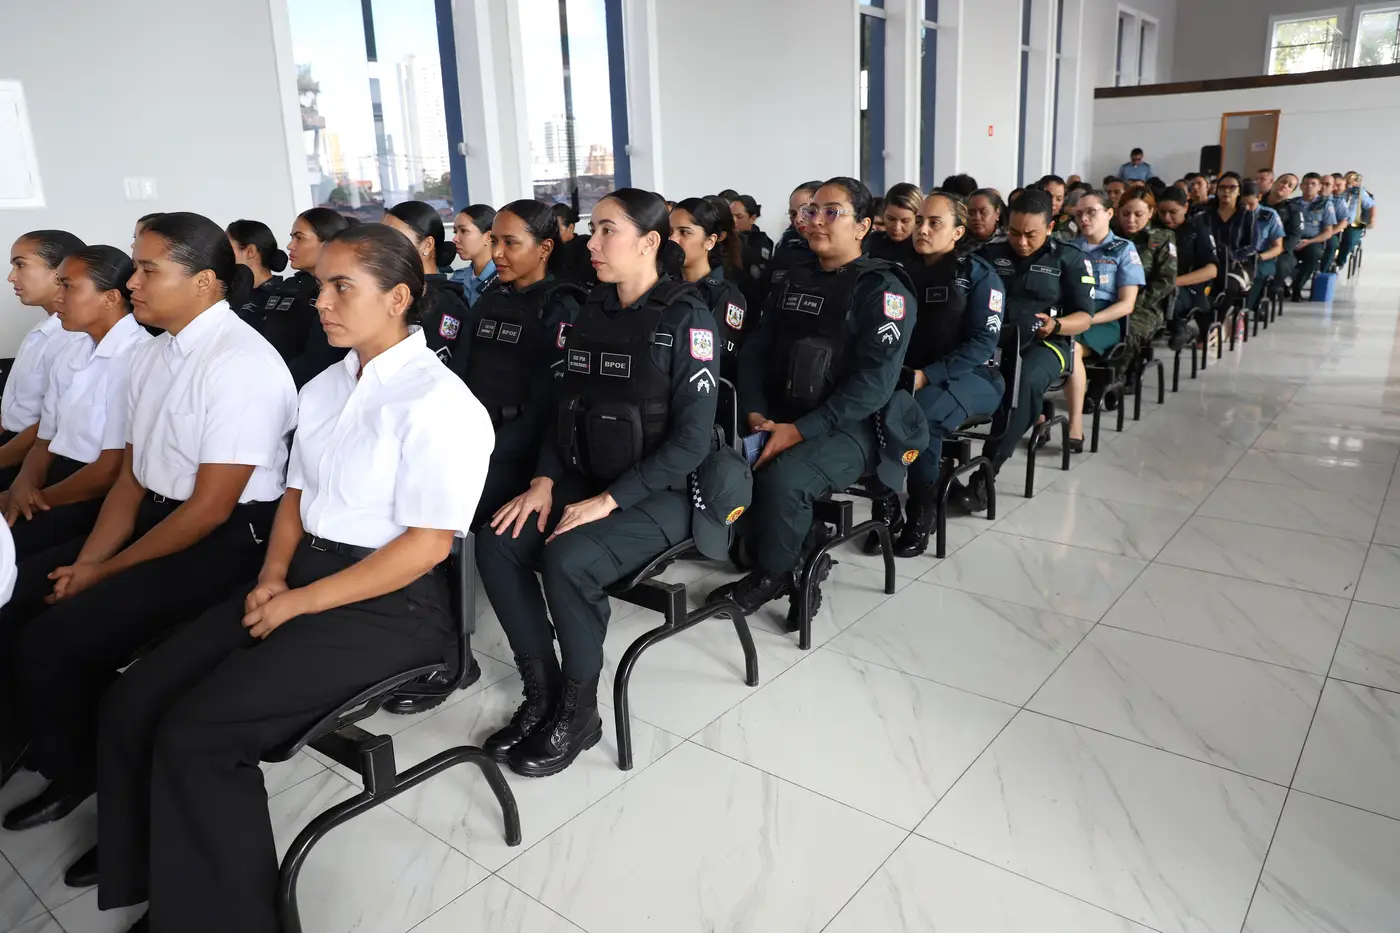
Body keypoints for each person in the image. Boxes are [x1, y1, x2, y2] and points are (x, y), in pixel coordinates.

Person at [88, 222, 491, 933]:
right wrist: (274, 575)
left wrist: (301, 601)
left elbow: (426, 546)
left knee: (200, 733)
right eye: (318, 286)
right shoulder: (328, 385)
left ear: (398, 298)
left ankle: (225, 920)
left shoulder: (439, 403)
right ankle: (164, 879)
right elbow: (296, 496)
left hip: (388, 602)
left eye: (341, 288)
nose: (321, 302)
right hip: (300, 574)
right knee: (134, 697)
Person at [0, 211, 297, 830]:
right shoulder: (153, 355)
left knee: (54, 638)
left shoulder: (240, 362)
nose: (132, 283)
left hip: (223, 540)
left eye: (147, 270)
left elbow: (210, 507)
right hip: (156, 519)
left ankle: (81, 771)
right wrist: (89, 560)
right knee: (24, 593)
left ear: (205, 282)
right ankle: (51, 742)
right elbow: (132, 480)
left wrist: (103, 572)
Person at [476, 188, 722, 777]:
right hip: (585, 475)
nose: (593, 243)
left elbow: (691, 443)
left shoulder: (687, 318)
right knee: (498, 540)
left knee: (568, 559)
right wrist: (542, 481)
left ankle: (579, 711)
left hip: (663, 493)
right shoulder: (589, 310)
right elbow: (565, 412)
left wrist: (609, 500)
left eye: (609, 230)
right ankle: (542, 690)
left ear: (649, 242)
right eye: (594, 230)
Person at [708, 177, 916, 622]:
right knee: (725, 456)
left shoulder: (883, 291)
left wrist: (799, 431)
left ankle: (776, 575)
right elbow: (756, 350)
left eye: (831, 212)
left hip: (854, 426)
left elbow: (873, 386)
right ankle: (799, 549)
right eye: (811, 211)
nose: (816, 220)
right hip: (781, 414)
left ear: (863, 226)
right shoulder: (791, 278)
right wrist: (755, 412)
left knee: (785, 479)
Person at [5, 247, 151, 561]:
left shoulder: (137, 357)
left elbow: (110, 469)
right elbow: (43, 442)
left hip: (92, 492)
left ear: (110, 298)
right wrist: (23, 484)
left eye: (68, 287)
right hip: (52, 475)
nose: (57, 297)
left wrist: (35, 498)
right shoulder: (73, 350)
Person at [961, 190, 1096, 511]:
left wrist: (1057, 325)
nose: (1021, 242)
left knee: (1025, 380)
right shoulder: (989, 254)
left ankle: (987, 472)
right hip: (992, 338)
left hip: (1047, 342)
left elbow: (1085, 317)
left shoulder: (1070, 259)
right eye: (1014, 232)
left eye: (1030, 234)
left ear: (1050, 227)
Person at [888, 191, 1005, 555]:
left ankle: (922, 509)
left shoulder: (979, 276)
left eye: (934, 223)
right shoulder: (897, 271)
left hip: (974, 377)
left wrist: (928, 374)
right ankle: (884, 506)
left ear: (957, 232)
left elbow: (983, 343)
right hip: (909, 373)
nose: (922, 229)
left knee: (922, 413)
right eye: (919, 221)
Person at [1065, 190, 1143, 447]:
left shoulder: (1124, 249)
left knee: (1071, 349)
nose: (1084, 219)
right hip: (1072, 312)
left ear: (1109, 213)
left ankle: (1075, 425)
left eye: (1091, 212)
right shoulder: (1070, 248)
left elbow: (1127, 304)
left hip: (1105, 320)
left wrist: (1089, 320)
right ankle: (1038, 415)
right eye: (1079, 214)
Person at [3, 231, 86, 469]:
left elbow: (51, 423)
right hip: (14, 444)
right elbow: (16, 410)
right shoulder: (43, 329)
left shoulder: (76, 337)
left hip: (34, 456)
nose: (11, 277)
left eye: (20, 265)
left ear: (60, 271)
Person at [671, 197, 749, 384]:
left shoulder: (726, 296)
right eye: (670, 232)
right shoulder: (663, 285)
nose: (673, 239)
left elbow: (717, 359)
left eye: (684, 232)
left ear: (710, 241)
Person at [272, 207, 353, 386]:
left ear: (328, 243)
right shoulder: (290, 288)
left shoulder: (348, 296)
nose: (290, 245)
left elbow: (319, 360)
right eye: (292, 237)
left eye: (299, 238)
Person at [385, 200, 472, 361]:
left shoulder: (444, 301)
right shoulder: (391, 291)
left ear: (427, 245)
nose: (384, 247)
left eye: (396, 239)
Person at [1114, 187, 1177, 364]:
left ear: (1150, 212)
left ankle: (1116, 377)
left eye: (1138, 214)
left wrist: (1132, 302)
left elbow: (1166, 280)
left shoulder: (1162, 238)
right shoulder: (1109, 236)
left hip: (1146, 307)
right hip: (1109, 302)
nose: (1131, 220)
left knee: (1127, 334)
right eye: (1125, 213)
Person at [1156, 187, 1216, 350]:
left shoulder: (1198, 230)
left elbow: (1211, 270)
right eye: (1162, 212)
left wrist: (1175, 281)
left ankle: (1179, 327)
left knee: (1167, 295)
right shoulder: (1155, 230)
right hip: (1159, 283)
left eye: (1172, 212)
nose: (1166, 217)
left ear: (1185, 207)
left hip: (1190, 286)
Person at [757, 180, 822, 308]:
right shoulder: (786, 245)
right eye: (793, 214)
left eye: (806, 210)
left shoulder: (841, 249)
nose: (798, 219)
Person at [225, 220, 288, 334]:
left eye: (227, 248)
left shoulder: (279, 299)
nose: (222, 255)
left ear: (250, 251)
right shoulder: (231, 294)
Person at [1241, 181, 1286, 313]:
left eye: (1251, 204)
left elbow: (1278, 247)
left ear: (1259, 197)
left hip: (1262, 258)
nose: (1247, 208)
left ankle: (1245, 309)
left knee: (1255, 274)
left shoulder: (1269, 215)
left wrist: (1260, 257)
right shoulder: (1236, 213)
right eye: (1243, 204)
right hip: (1239, 255)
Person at [1292, 173, 1338, 300]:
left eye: (1313, 184)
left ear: (1319, 187)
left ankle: (1297, 288)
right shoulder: (1292, 203)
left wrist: (1308, 242)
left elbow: (1327, 232)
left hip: (1311, 242)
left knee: (1314, 255)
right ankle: (1282, 286)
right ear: (1301, 186)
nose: (1309, 186)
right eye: (1306, 183)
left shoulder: (1325, 204)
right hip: (1292, 240)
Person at [730, 194, 774, 309]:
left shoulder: (762, 242)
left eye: (739, 217)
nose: (733, 221)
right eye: (731, 216)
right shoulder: (725, 238)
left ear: (752, 218)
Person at [449, 204, 498, 305]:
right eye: (455, 232)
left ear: (488, 237)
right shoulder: (457, 279)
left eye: (463, 231)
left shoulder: (504, 279)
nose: (455, 239)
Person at [866, 182, 921, 268]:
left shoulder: (924, 249)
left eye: (905, 221)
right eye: (891, 219)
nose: (896, 227)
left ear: (918, 219)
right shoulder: (871, 243)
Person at [1265, 174, 1303, 293]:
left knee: (1281, 266)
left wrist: (1275, 250)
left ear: (1291, 192)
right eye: (1283, 182)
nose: (1285, 186)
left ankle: (1272, 292)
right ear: (1275, 182)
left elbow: (1294, 235)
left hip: (1281, 251)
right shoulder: (1257, 202)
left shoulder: (1293, 209)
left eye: (1290, 185)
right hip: (1256, 246)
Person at [548, 202, 597, 287]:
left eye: (557, 230)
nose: (553, 234)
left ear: (570, 227)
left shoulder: (585, 247)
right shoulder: (549, 248)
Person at [1336, 171, 1376, 270]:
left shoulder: (1360, 192)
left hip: (1352, 224)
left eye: (1353, 179)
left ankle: (1339, 262)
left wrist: (1372, 219)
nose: (1350, 181)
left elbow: (1371, 205)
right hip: (1336, 222)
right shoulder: (1339, 189)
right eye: (1348, 179)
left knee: (1350, 240)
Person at [961, 188, 1008, 254]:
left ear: (997, 213)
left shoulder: (1008, 242)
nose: (977, 218)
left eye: (983, 212)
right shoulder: (957, 241)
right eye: (971, 213)